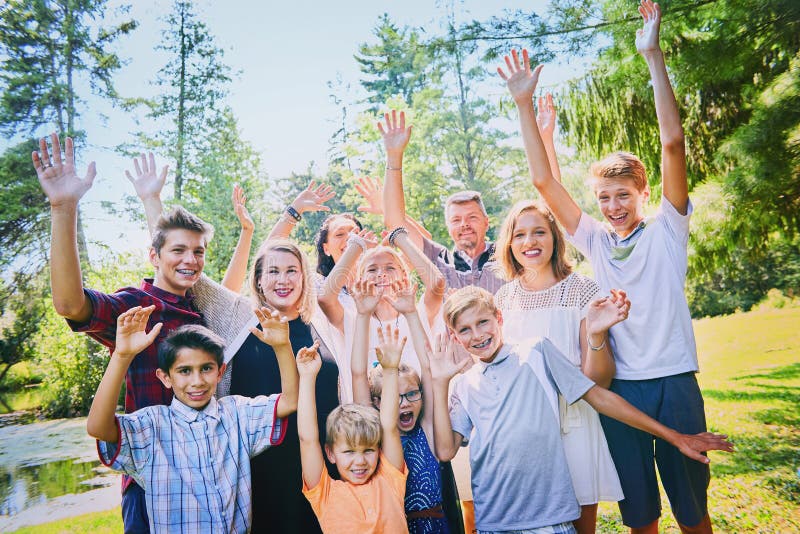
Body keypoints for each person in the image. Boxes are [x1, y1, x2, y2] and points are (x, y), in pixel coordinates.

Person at [499, 2, 716, 531]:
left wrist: (652, 55)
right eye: (604, 196)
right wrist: (523, 106)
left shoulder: (668, 230)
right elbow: (545, 184)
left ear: (643, 192)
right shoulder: (595, 241)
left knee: (692, 509)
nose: (614, 205)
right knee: (640, 511)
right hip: (619, 389)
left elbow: (672, 142)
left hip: (674, 383)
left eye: (623, 194)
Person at [131, 169, 345, 532]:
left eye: (292, 271)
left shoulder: (321, 323)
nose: (282, 280)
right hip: (257, 467)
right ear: (258, 279)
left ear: (304, 277)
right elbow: (184, 267)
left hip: (324, 467)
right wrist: (154, 203)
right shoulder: (238, 319)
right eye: (273, 272)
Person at [430, 287, 734, 534]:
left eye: (483, 322)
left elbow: (600, 398)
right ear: (455, 337)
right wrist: (442, 381)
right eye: (465, 330)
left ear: (499, 317)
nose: (478, 334)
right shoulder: (464, 385)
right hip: (493, 522)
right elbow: (445, 451)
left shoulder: (535, 352)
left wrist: (675, 437)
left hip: (550, 519)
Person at [34, 139, 211, 533]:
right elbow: (70, 304)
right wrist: (63, 208)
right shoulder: (136, 305)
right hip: (149, 481)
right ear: (154, 256)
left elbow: (170, 243)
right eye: (179, 251)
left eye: (198, 252)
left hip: (205, 472)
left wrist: (153, 200)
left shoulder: (200, 308)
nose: (190, 260)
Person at [87, 304, 303, 532]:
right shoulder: (152, 426)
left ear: (220, 372)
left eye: (206, 368)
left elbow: (290, 401)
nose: (197, 381)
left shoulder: (236, 413)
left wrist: (282, 345)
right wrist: (122, 355)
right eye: (184, 371)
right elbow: (98, 427)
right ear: (165, 377)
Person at [494, 199, 627, 533]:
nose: (530, 242)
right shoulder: (503, 299)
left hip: (573, 423)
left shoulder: (582, 289)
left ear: (555, 237)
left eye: (539, 232)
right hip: (524, 433)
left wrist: (596, 333)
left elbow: (599, 379)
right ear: (509, 244)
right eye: (520, 234)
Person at [351, 277, 457, 533]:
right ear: (377, 403)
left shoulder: (427, 427)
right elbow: (357, 374)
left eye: (411, 394)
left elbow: (429, 367)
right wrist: (363, 315)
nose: (404, 403)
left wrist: (410, 313)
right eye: (394, 397)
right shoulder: (377, 433)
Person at [298, 321, 408, 532]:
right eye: (349, 451)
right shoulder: (325, 493)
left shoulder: (389, 479)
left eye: (368, 450)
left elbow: (389, 426)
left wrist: (391, 370)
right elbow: (308, 439)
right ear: (330, 453)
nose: (360, 461)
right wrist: (307, 377)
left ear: (378, 451)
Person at [379, 111, 505, 293]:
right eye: (456, 220)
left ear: (487, 222)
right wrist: (394, 155)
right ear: (448, 226)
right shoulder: (437, 259)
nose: (465, 225)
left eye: (472, 217)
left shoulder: (508, 255)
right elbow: (395, 222)